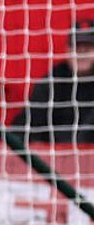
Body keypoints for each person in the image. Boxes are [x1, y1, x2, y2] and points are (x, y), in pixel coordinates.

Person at [11, 18, 94, 146]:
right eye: (77, 47)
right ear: (68, 50)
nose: (82, 53)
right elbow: (24, 127)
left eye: (88, 48)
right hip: (53, 159)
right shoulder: (53, 82)